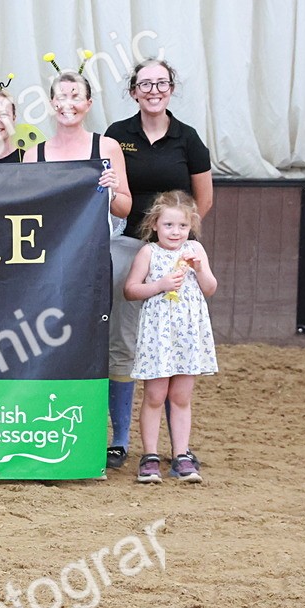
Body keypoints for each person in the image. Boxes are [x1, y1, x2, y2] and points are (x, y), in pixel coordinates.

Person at [104, 59, 213, 471]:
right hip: (129, 244)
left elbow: (203, 200)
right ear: (134, 90)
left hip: (174, 251)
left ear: (171, 89)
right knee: (124, 338)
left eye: (161, 83)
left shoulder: (189, 139)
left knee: (176, 343)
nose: (153, 90)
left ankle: (178, 449)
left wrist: (179, 238)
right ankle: (121, 440)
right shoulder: (118, 135)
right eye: (145, 83)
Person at [123, 190, 217, 484]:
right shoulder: (149, 253)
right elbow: (131, 289)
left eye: (182, 226)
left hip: (188, 334)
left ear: (191, 227)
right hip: (158, 334)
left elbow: (210, 288)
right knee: (154, 395)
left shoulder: (195, 251)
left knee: (181, 396)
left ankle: (181, 455)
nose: (175, 232)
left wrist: (200, 269)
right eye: (168, 225)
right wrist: (160, 285)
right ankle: (150, 456)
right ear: (154, 225)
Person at [22, 69, 132, 221]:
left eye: (76, 97)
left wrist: (111, 193)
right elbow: (26, 209)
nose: (68, 104)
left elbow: (124, 209)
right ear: (52, 104)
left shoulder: (108, 147)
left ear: (88, 104)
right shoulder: (32, 155)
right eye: (61, 97)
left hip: (93, 242)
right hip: (47, 242)